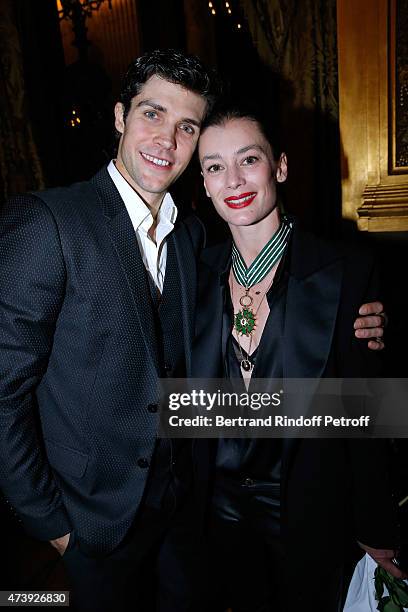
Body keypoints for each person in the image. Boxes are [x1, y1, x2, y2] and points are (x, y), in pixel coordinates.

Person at [0, 48, 385, 611]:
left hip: (208, 514)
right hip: (109, 521)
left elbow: (363, 406)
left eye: (186, 126)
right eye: (152, 114)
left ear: (278, 165)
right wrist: (47, 520)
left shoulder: (192, 246)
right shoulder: (51, 222)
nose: (166, 140)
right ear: (118, 117)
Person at [193, 103, 403, 611]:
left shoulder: (346, 271)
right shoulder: (192, 274)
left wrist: (375, 527)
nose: (234, 180)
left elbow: (368, 413)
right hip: (211, 515)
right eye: (216, 166)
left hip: (311, 510)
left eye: (249, 159)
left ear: (279, 167)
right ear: (202, 183)